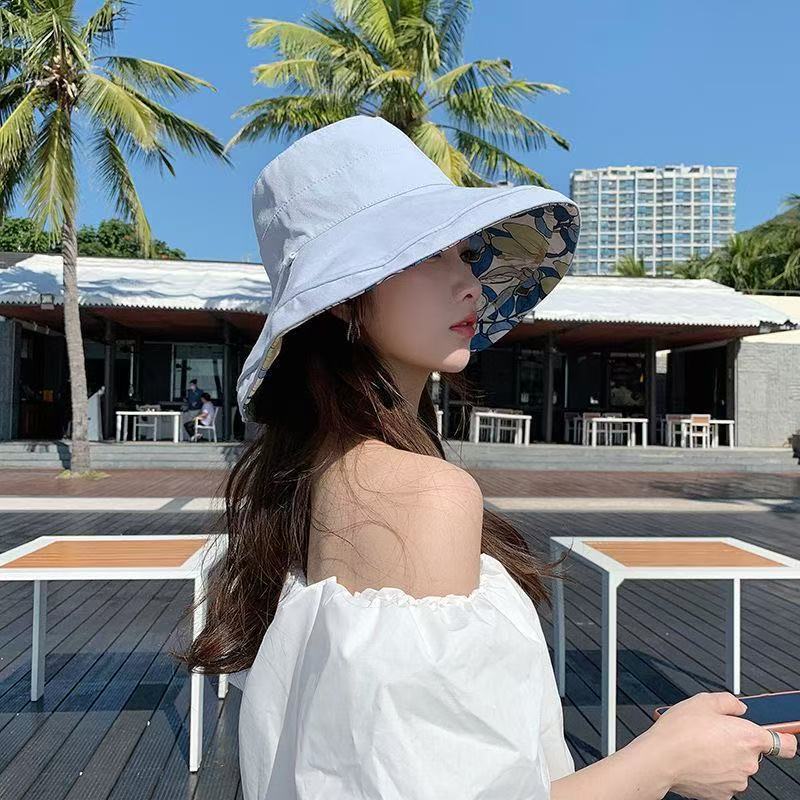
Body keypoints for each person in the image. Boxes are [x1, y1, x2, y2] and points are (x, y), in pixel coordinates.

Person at [173, 116, 797, 799]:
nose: (470, 282)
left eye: (466, 254)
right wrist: (668, 760)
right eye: (427, 255)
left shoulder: (319, 471)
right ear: (344, 298)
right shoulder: (420, 494)